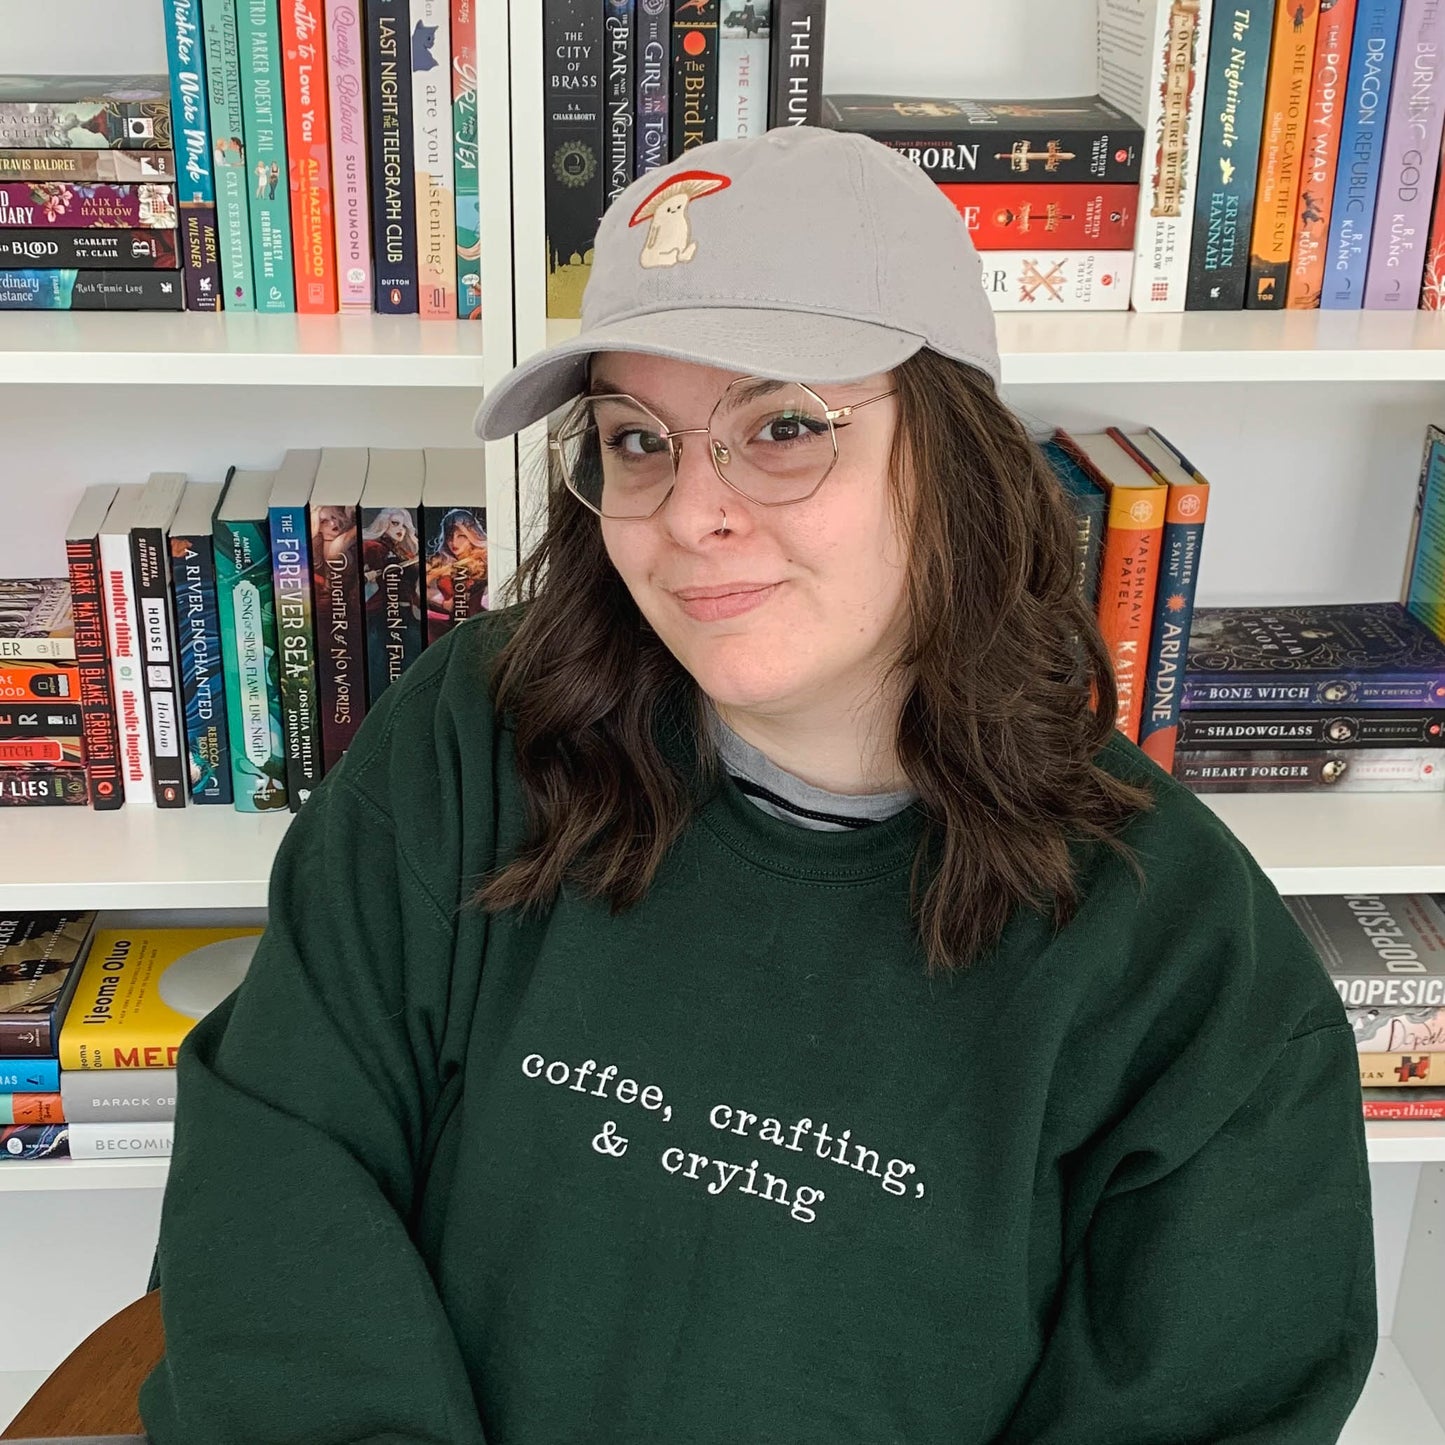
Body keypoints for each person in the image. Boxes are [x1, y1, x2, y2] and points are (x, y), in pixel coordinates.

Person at [139, 126, 1377, 1443]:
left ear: (953, 455)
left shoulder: (1184, 955)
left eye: (783, 425)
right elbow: (276, 1168)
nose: (688, 512)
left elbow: (1213, 1407)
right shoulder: (474, 734)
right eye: (634, 439)